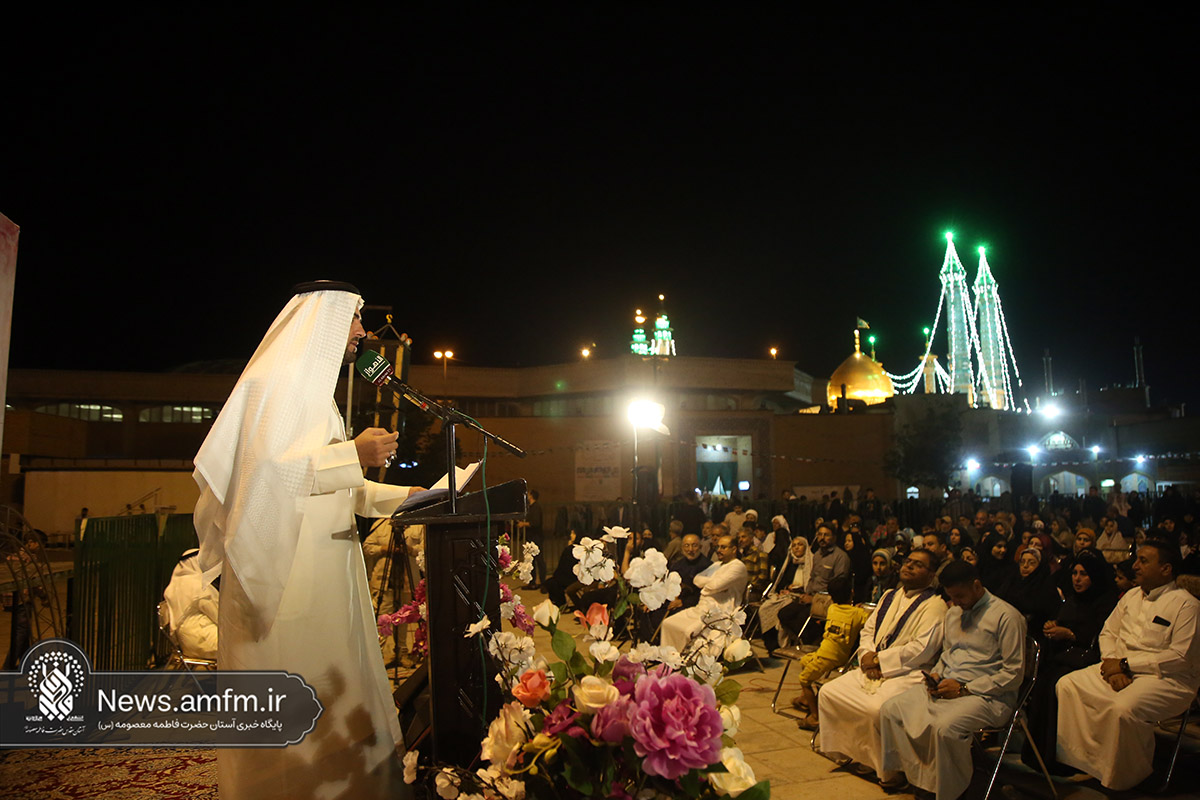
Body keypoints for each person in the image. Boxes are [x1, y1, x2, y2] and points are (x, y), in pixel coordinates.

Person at [193, 281, 421, 800]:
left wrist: (412, 495)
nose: (362, 333)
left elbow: (337, 485)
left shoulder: (317, 396)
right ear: (321, 322)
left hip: (327, 578)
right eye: (354, 320)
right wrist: (354, 453)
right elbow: (268, 474)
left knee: (333, 698)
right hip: (288, 582)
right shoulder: (279, 382)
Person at [1054, 539, 1200, 791]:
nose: (1135, 565)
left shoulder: (1186, 605)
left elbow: (1180, 656)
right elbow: (1107, 633)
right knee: (1067, 684)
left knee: (1122, 708)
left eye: (1144, 561)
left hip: (1167, 679)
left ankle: (1127, 777)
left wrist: (1125, 665)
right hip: (1118, 668)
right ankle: (1088, 763)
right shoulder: (1131, 595)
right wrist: (1112, 665)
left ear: (1166, 569)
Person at [878, 560, 1026, 800]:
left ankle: (953, 791)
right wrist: (936, 673)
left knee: (945, 728)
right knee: (891, 710)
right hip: (947, 686)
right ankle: (921, 780)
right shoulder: (954, 612)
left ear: (977, 586)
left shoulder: (1007, 617)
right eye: (951, 597)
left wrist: (965, 688)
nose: (955, 603)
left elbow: (1013, 674)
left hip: (987, 695)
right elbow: (948, 655)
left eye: (959, 596)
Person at [818, 548, 947, 783]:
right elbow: (869, 629)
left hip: (908, 672)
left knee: (876, 709)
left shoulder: (935, 606)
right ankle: (852, 753)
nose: (908, 566)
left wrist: (880, 660)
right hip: (873, 665)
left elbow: (922, 649)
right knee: (828, 693)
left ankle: (888, 769)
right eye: (908, 561)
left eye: (918, 565)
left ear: (931, 575)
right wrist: (867, 654)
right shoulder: (890, 595)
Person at [1020, 550, 1117, 772]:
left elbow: (1101, 634)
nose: (1077, 578)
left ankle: (1063, 757)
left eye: (1083, 574)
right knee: (1043, 680)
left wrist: (1071, 634)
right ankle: (1039, 755)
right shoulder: (1073, 599)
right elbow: (1066, 620)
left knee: (1056, 683)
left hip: (1090, 659)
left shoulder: (1106, 600)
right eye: (1074, 573)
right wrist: (1053, 626)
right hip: (1065, 657)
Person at [788, 576, 869, 729]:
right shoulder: (857, 614)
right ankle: (806, 698)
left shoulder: (832, 609)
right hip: (827, 653)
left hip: (832, 657)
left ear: (831, 597)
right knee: (805, 661)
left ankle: (814, 716)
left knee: (804, 679)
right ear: (851, 593)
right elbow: (870, 619)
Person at [660, 535, 748, 652]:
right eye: (718, 547)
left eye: (723, 547)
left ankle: (684, 659)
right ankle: (670, 659)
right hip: (701, 607)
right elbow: (696, 579)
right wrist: (711, 586)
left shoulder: (738, 566)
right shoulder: (717, 565)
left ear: (734, 549)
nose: (719, 550)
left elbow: (714, 585)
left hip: (720, 611)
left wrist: (708, 586)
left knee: (688, 630)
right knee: (667, 623)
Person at [757, 535, 813, 651]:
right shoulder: (789, 563)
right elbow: (782, 582)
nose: (796, 548)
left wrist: (801, 589)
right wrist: (786, 588)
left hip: (802, 597)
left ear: (806, 547)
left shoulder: (812, 562)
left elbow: (812, 585)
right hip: (788, 594)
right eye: (794, 545)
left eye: (800, 545)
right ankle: (771, 645)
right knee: (765, 608)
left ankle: (781, 645)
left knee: (781, 610)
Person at [162, 548, 220, 662]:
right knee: (242, 647)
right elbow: (220, 616)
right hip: (202, 641)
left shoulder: (175, 584)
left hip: (185, 641)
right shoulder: (199, 586)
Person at [518, 488, 545, 589]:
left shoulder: (536, 507)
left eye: (528, 494)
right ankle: (532, 582)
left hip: (536, 537)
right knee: (532, 560)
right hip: (532, 537)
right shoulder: (532, 507)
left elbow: (536, 523)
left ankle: (543, 583)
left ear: (531, 496)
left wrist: (523, 524)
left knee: (539, 560)